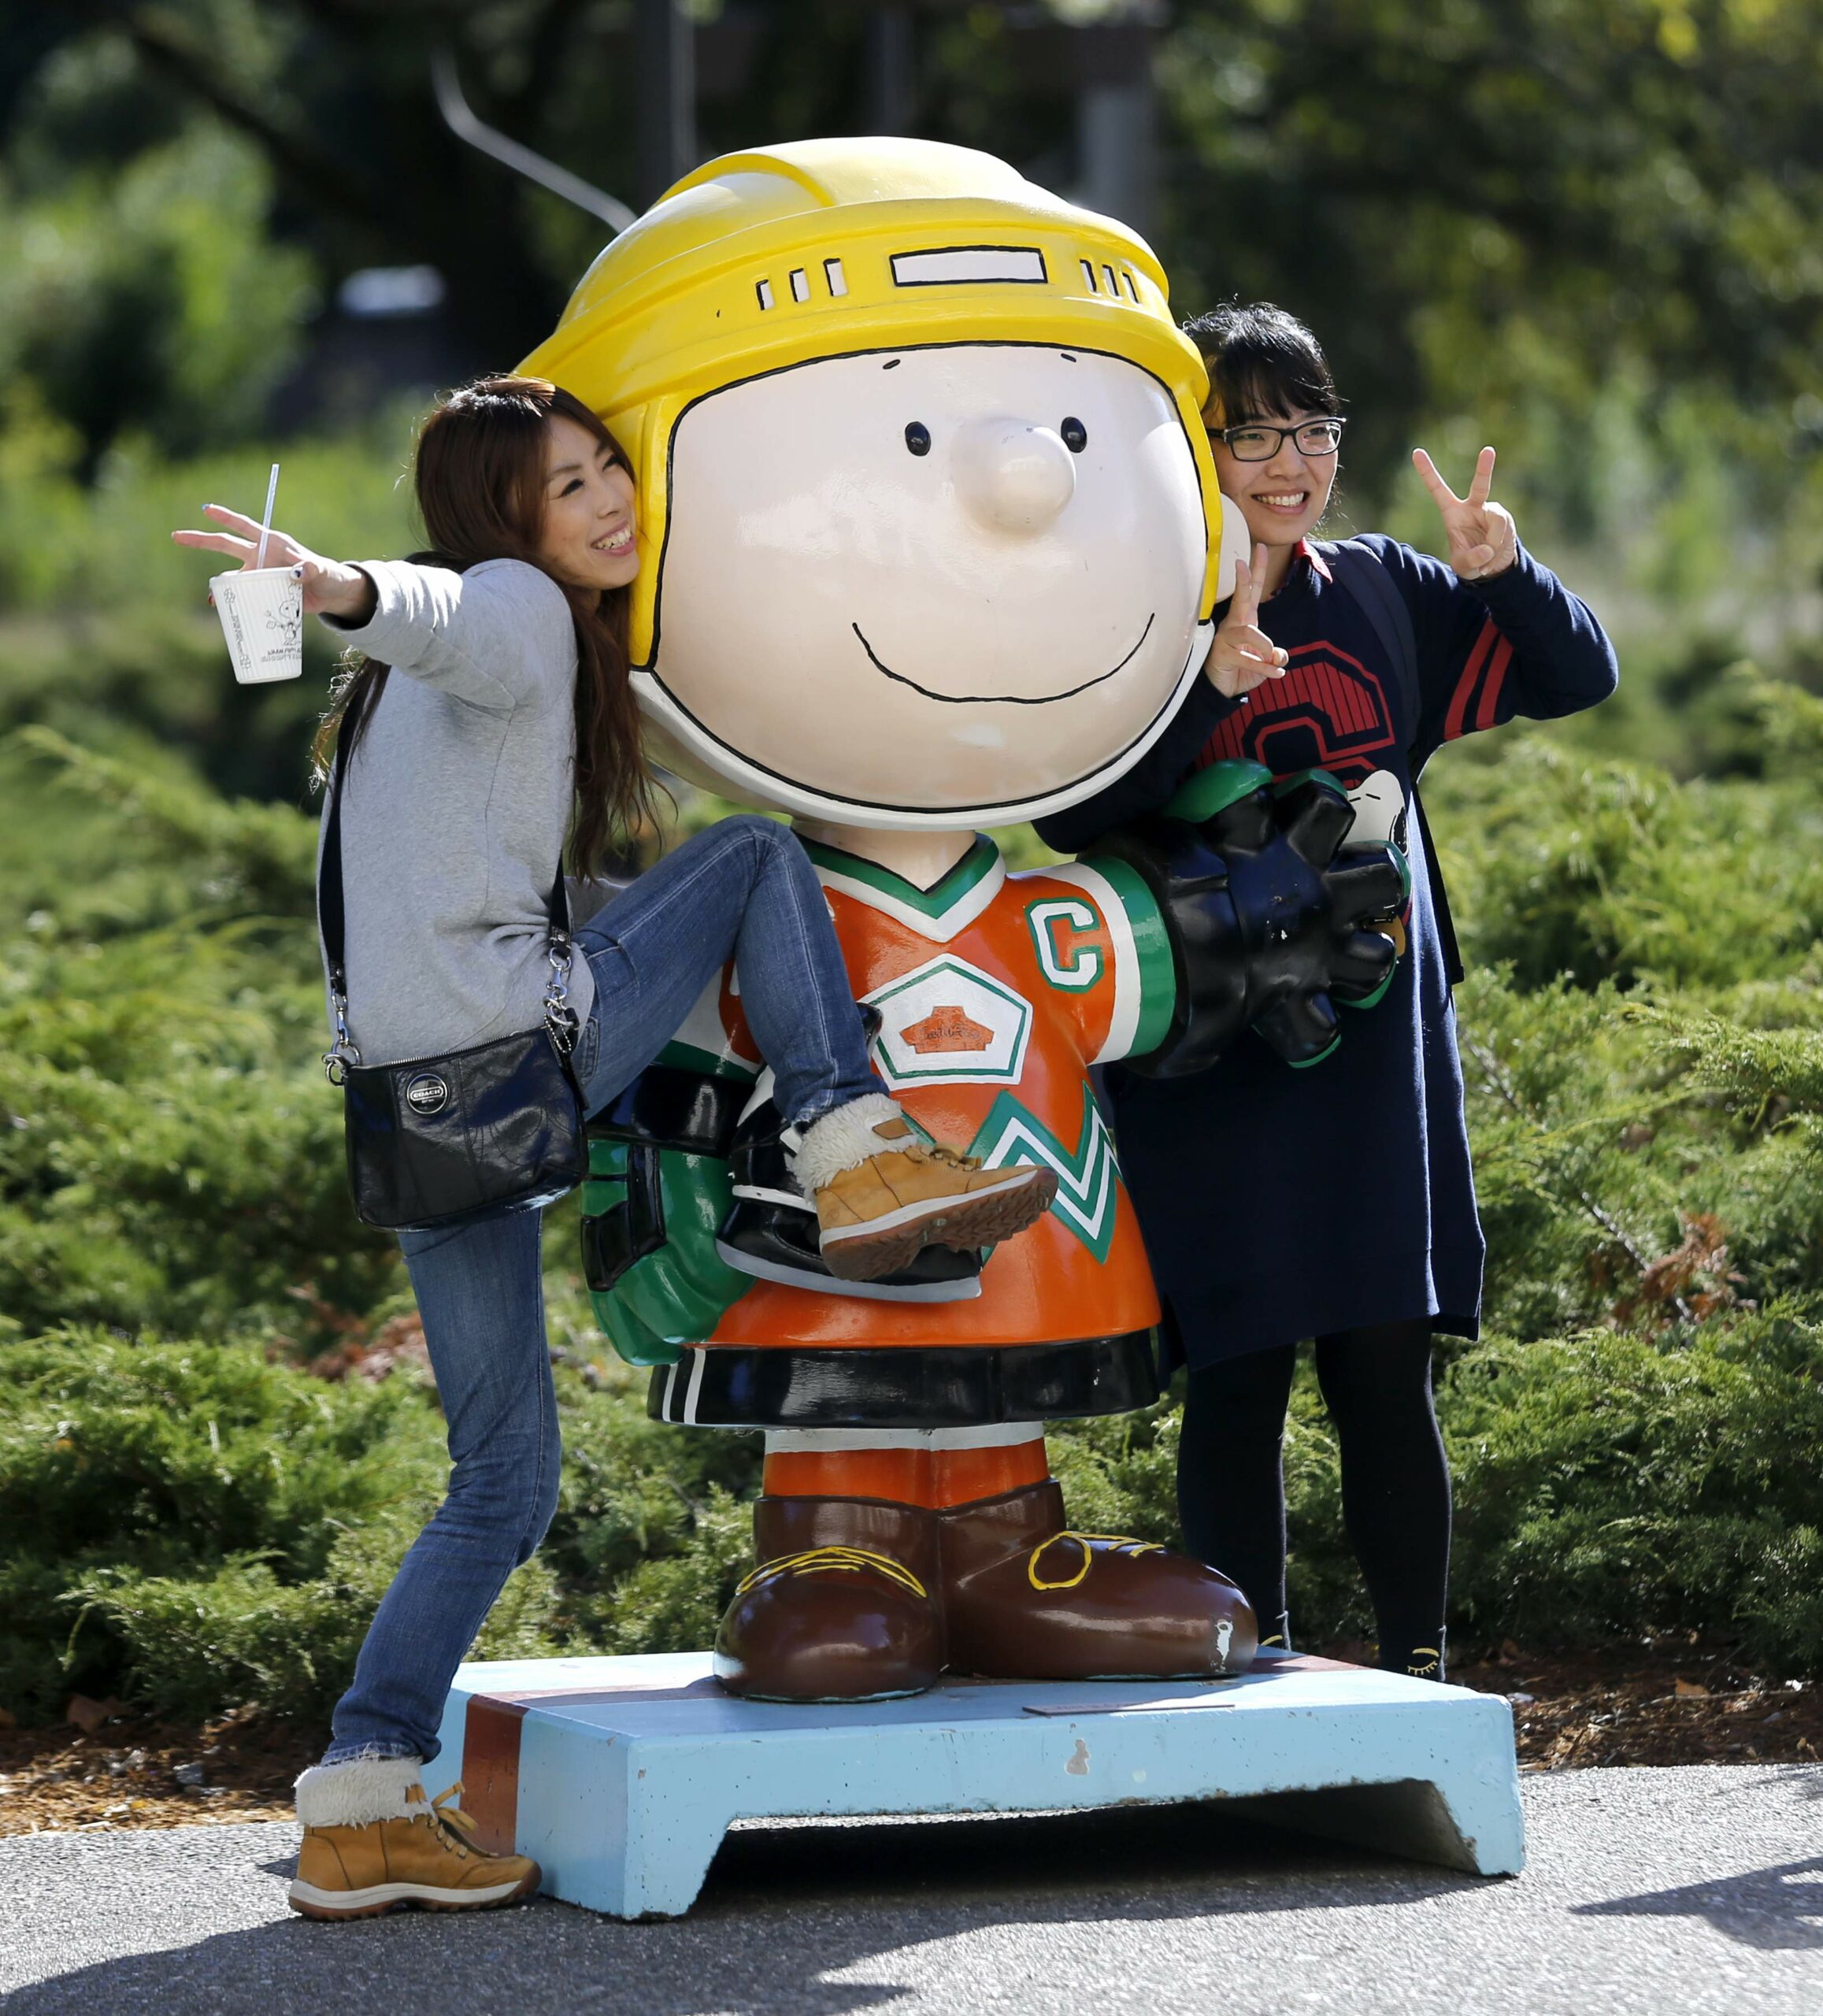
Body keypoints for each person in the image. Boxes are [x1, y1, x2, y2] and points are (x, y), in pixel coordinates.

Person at [172, 375, 1055, 1919]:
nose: (605, 501)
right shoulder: (503, 606)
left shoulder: (404, 709)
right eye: (566, 482)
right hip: (523, 1051)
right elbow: (441, 610)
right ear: (499, 517)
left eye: (608, 471)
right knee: (750, 865)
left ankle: (366, 1798)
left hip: (423, 1109)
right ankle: (850, 1148)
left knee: (502, 1483)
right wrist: (344, 588)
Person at [1035, 303, 1618, 1682]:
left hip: (1373, 1049)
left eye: (1312, 431)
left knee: (1383, 1365)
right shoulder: (1129, 607)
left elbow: (1577, 674)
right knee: (1235, 1378)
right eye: (1253, 434)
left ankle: (1417, 1677)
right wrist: (1203, 688)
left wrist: (1508, 570)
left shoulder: (1379, 587)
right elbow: (1072, 820)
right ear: (1193, 447)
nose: (1289, 463)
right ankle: (1251, 1680)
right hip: (1209, 1057)